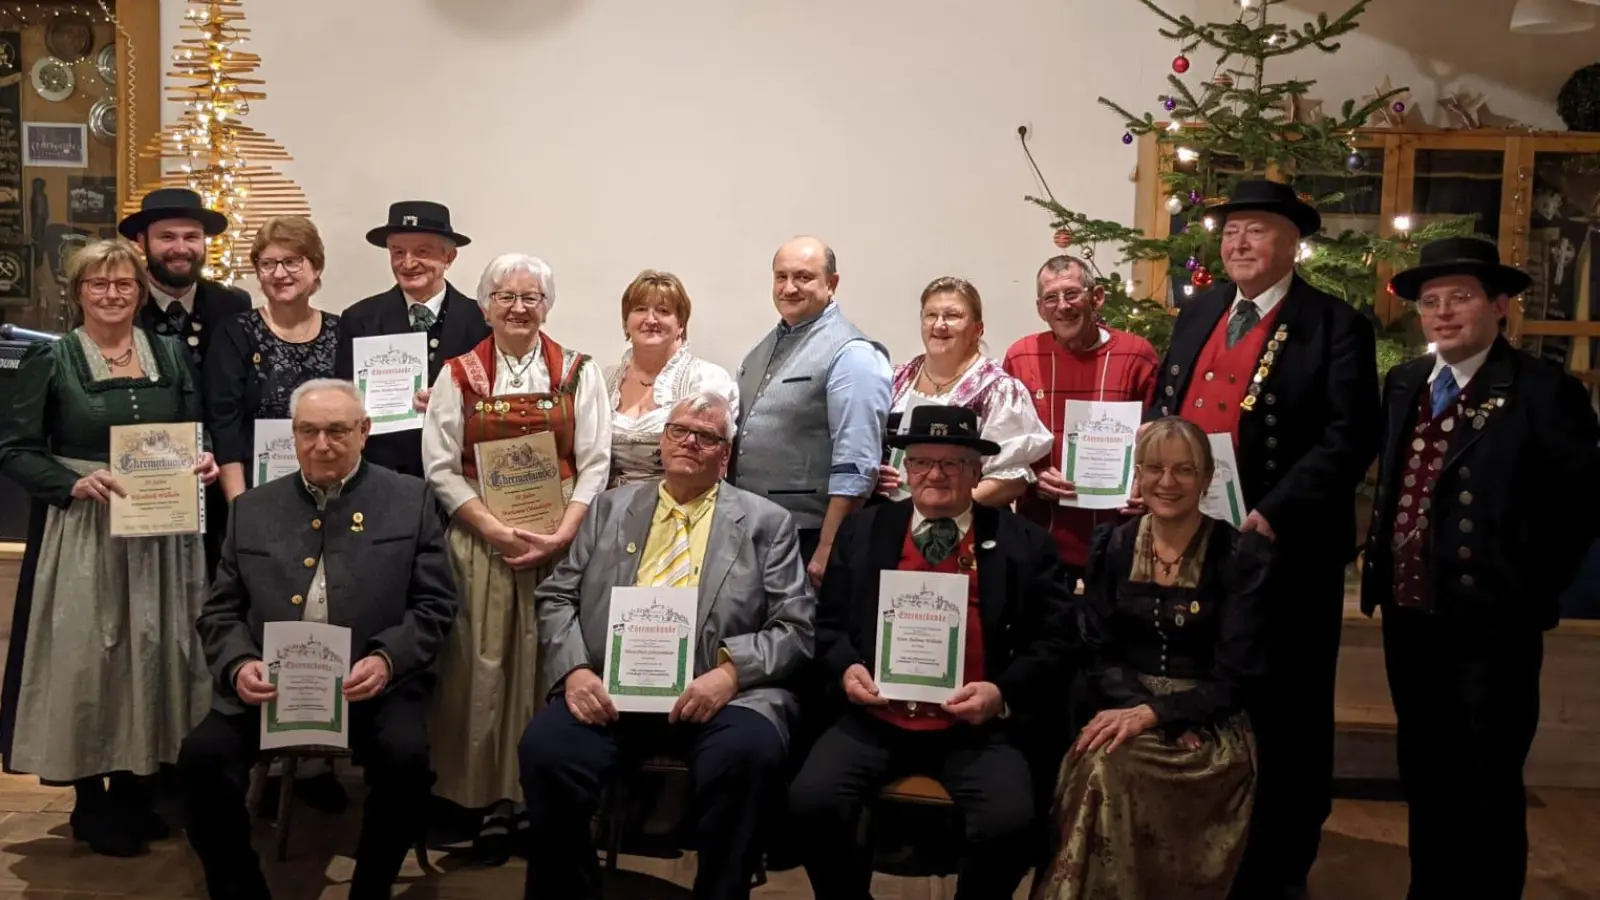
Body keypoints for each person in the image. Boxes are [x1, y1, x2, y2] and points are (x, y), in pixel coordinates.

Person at [1149, 179, 1381, 900]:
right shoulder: (1200, 309)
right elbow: (1165, 403)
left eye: (1255, 229)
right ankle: (1200, 848)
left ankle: (1279, 865)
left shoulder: (1336, 324)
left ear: (1292, 242)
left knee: (1288, 709)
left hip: (1286, 549)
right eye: (1230, 231)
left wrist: (1275, 510)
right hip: (1199, 543)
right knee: (1208, 690)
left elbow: (1350, 437)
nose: (1239, 243)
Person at [1361, 237, 1600, 900]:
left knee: (1486, 780)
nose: (1441, 313)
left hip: (1492, 628)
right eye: (1430, 302)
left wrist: (1527, 590)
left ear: (1500, 306)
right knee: (1424, 771)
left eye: (1459, 298)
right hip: (1410, 615)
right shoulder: (1405, 383)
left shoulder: (1544, 391)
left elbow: (1581, 508)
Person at [520, 391, 813, 900]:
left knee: (750, 754)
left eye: (707, 436)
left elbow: (796, 627)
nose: (690, 443)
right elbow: (557, 596)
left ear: (726, 453)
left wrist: (730, 673)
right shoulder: (608, 509)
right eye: (679, 431)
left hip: (722, 695)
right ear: (662, 440)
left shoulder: (767, 523)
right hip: (611, 689)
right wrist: (575, 672)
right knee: (546, 751)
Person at [178, 379, 457, 900]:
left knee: (406, 761)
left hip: (372, 684)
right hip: (269, 689)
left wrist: (387, 659)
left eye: (337, 431)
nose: (321, 444)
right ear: (294, 434)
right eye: (308, 431)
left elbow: (435, 605)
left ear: (364, 431)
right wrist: (239, 664)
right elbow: (219, 611)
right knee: (200, 760)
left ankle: (370, 890)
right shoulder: (252, 508)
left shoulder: (410, 499)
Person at [789, 405, 1078, 900]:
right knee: (810, 801)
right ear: (906, 469)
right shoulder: (864, 530)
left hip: (975, 729)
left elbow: (1056, 641)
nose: (935, 475)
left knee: (1010, 822)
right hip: (876, 719)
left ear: (977, 471)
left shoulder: (1025, 543)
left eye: (952, 463)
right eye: (922, 461)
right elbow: (829, 625)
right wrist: (847, 669)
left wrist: (1001, 693)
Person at [0, 239, 217, 857]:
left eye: (124, 284)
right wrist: (71, 483)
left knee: (154, 649)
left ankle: (132, 789)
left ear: (140, 291)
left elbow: (193, 427)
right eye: (98, 284)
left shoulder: (168, 354)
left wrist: (203, 457)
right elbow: (14, 449)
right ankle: (88, 801)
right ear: (78, 293)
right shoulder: (53, 358)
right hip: (88, 528)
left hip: (161, 527)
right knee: (90, 656)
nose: (112, 294)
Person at [421, 252, 612, 862]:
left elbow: (596, 462)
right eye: (506, 296)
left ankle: (542, 803)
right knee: (483, 667)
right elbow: (440, 468)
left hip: (559, 547)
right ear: (485, 306)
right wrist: (495, 531)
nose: (519, 308)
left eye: (531, 297)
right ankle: (485, 803)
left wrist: (564, 534)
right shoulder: (457, 375)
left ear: (547, 306)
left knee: (547, 665)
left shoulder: (580, 373)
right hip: (482, 545)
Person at [1034, 416, 1270, 900]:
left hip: (1207, 726)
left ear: (1207, 478)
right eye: (1155, 469)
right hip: (1123, 705)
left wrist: (1164, 714)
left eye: (1184, 470)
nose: (1168, 482)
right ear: (1137, 475)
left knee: (1107, 768)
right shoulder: (1114, 545)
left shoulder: (1239, 555)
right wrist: (1139, 710)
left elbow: (1239, 675)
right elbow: (1098, 650)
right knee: (1099, 762)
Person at [732, 236, 890, 586]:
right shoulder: (760, 350)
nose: (789, 287)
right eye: (781, 276)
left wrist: (829, 545)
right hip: (751, 530)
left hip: (809, 535)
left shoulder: (853, 354)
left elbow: (856, 461)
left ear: (832, 283)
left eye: (803, 277)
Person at [1003, 255, 1160, 592]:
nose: (1063, 306)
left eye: (1072, 293)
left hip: (1119, 537)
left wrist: (1144, 484)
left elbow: (1159, 436)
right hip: (1041, 534)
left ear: (1096, 297)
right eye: (1051, 297)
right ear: (1040, 309)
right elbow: (1005, 441)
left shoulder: (1136, 355)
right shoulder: (1021, 356)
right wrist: (1033, 473)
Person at [121, 187, 252, 573]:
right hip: (148, 480)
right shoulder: (122, 306)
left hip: (222, 476)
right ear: (142, 241)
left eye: (192, 237)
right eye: (167, 237)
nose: (181, 248)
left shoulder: (233, 304)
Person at [336, 201, 490, 478]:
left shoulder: (482, 321)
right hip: (384, 476)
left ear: (449, 257)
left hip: (462, 474)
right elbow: (345, 402)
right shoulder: (359, 319)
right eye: (398, 252)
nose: (408, 263)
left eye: (422, 252)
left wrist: (452, 401)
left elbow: (495, 400)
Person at [877, 276, 1052, 507]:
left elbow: (1011, 479)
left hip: (965, 521)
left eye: (953, 316)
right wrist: (873, 476)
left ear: (977, 329)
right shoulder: (896, 379)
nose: (939, 325)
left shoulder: (999, 389)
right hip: (891, 516)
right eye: (931, 315)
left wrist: (944, 511)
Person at [207, 216, 340, 500]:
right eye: (268, 264)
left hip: (333, 491)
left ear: (316, 267)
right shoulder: (236, 333)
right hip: (257, 493)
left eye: (292, 261)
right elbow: (225, 427)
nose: (279, 273)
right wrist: (240, 509)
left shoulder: (341, 331)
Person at [606, 269, 739, 487]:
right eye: (640, 309)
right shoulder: (606, 380)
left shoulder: (706, 379)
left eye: (663, 311)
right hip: (609, 503)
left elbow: (712, 459)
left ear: (681, 325)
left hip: (681, 501)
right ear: (626, 322)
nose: (651, 319)